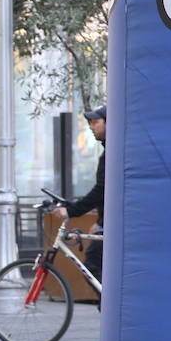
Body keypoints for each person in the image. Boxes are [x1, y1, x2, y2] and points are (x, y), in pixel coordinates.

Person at [53, 104, 106, 283]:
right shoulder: (111, 152)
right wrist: (99, 222)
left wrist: (71, 211)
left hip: (115, 225)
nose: (91, 127)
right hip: (108, 224)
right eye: (90, 123)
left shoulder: (111, 155)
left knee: (92, 265)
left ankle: (108, 308)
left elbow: (101, 191)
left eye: (96, 122)